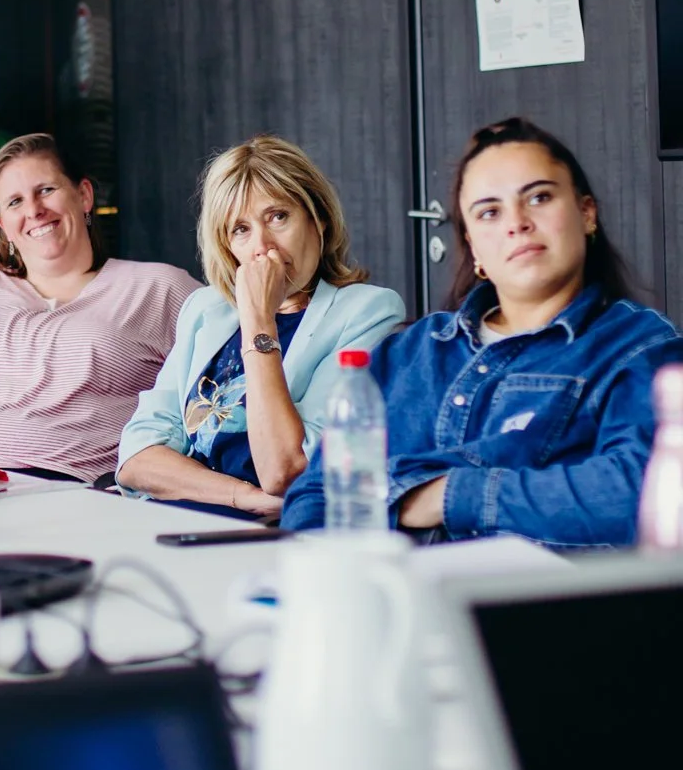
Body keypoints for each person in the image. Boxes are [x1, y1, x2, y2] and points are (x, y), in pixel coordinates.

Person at [281, 116, 683, 548]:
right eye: (490, 211)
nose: (517, 222)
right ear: (473, 245)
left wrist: (449, 495)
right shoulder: (409, 353)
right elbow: (313, 500)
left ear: (586, 213)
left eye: (539, 197)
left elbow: (640, 493)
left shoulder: (640, 347)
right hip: (393, 586)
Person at [0, 133, 198, 483]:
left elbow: (228, 382)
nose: (33, 210)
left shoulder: (160, 288)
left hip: (66, 487)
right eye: (15, 202)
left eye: (46, 190)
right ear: (2, 225)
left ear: (84, 196)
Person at [116, 136, 405, 517]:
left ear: (318, 219)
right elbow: (136, 458)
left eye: (278, 217)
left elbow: (286, 469)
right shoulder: (205, 308)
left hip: (272, 532)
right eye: (241, 229)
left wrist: (258, 320)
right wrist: (241, 495)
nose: (262, 246)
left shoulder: (368, 312)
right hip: (188, 515)